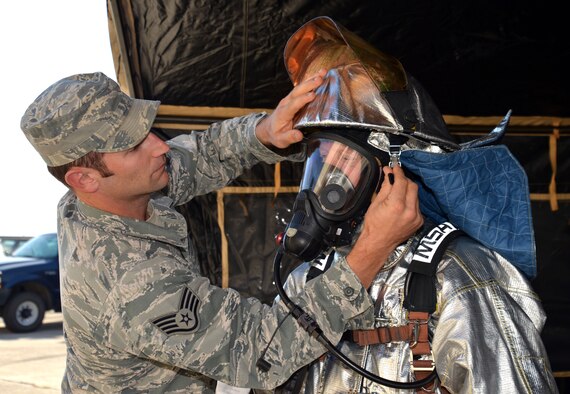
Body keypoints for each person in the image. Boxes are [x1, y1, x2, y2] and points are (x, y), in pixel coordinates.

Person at [20, 69, 423, 393]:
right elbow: (264, 350)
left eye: (147, 130)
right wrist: (373, 245)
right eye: (133, 147)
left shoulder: (105, 194)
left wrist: (264, 131)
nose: (159, 146)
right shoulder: (131, 285)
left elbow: (200, 156)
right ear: (85, 178)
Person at [231, 17, 558, 393]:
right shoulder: (308, 280)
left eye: (344, 160)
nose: (326, 181)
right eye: (319, 160)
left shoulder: (461, 277)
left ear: (392, 171)